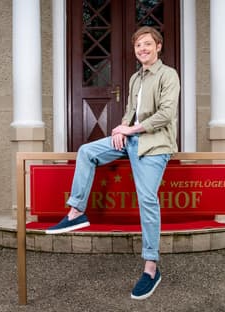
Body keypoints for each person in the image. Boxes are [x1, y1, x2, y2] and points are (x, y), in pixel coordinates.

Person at [46, 26, 180, 300]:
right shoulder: (134, 78)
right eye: (138, 46)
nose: (142, 49)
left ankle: (151, 267)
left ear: (158, 46)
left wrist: (130, 131)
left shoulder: (169, 75)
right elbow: (130, 112)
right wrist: (120, 129)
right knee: (86, 151)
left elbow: (166, 114)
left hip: (154, 146)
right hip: (130, 140)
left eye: (147, 44)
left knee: (147, 199)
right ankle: (76, 213)